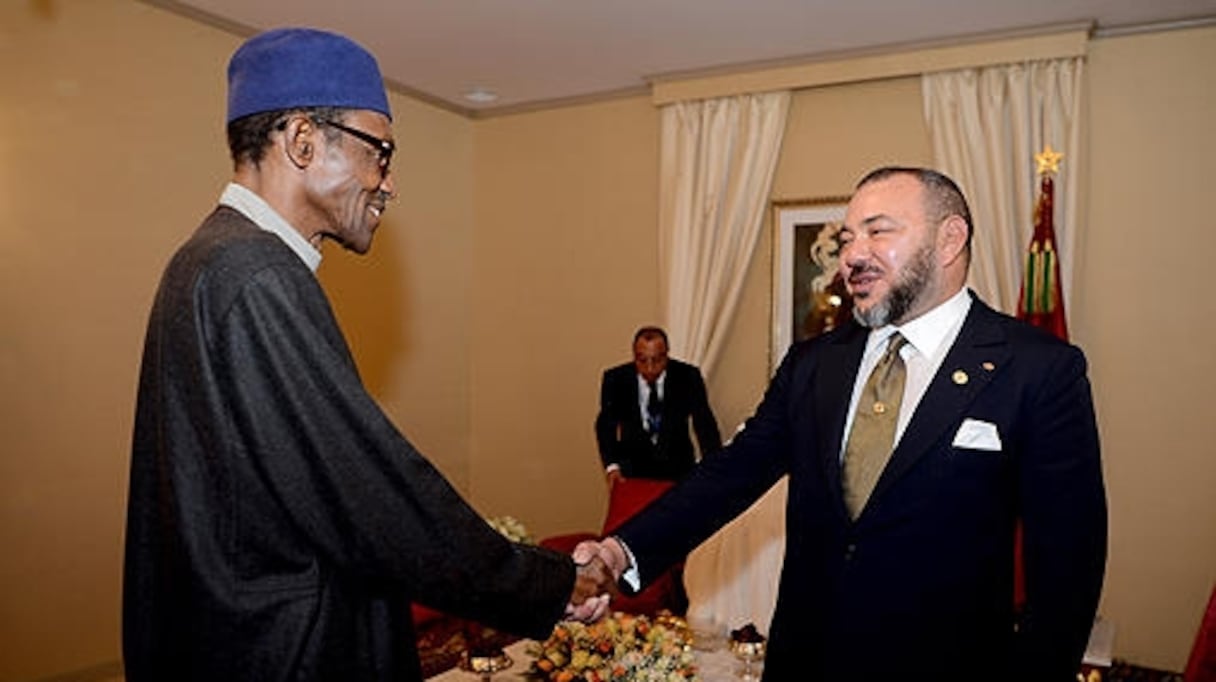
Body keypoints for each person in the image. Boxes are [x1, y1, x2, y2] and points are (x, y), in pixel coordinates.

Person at [122, 28, 612, 682]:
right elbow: (370, 492)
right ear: (302, 141)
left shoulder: (210, 263)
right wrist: (545, 583)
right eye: (379, 151)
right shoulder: (256, 275)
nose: (388, 182)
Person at [577, 167, 1107, 681]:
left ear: (950, 240)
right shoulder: (814, 364)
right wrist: (621, 551)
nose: (852, 254)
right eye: (850, 237)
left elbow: (1068, 563)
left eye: (878, 231)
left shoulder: (1037, 368)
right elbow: (730, 473)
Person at [595, 326, 723, 484]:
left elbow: (704, 423)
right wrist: (612, 466)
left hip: (678, 472)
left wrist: (712, 465)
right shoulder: (616, 380)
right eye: (642, 360)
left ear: (666, 354)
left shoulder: (687, 377)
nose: (649, 368)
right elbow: (605, 426)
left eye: (656, 360)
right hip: (632, 473)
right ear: (634, 356)